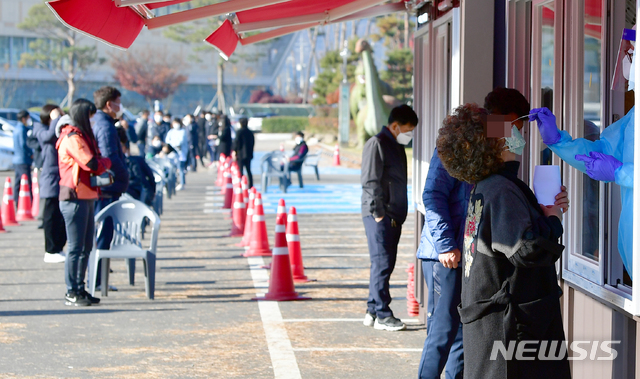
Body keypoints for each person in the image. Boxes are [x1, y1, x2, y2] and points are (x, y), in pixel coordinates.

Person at [436, 103, 570, 379]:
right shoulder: (501, 188)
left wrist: (541, 212)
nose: (514, 130)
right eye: (504, 127)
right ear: (493, 144)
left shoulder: (489, 186)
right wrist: (553, 219)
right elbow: (526, 249)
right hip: (511, 330)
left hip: (493, 328)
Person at [361, 104, 418, 331]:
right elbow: (370, 180)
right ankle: (384, 314)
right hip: (380, 215)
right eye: (408, 130)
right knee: (382, 264)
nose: (410, 135)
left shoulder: (394, 145)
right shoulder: (377, 143)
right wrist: (378, 213)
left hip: (392, 215)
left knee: (383, 264)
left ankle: (373, 310)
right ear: (395, 126)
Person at [56, 99, 111, 306]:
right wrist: (108, 162)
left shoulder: (82, 136)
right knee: (76, 247)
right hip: (74, 197)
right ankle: (72, 290)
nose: (93, 119)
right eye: (90, 115)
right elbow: (92, 163)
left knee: (86, 246)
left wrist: (102, 162)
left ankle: (81, 288)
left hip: (86, 195)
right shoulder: (72, 137)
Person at [93, 86, 130, 290]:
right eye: (118, 102)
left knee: (102, 234)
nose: (119, 107)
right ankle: (98, 280)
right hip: (108, 187)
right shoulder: (106, 126)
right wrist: (124, 175)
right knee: (103, 234)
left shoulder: (100, 122)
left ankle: (99, 279)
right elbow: (110, 157)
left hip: (106, 186)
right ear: (109, 104)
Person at [34, 104, 67, 263]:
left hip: (61, 177)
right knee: (50, 215)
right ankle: (50, 250)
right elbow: (49, 137)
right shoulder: (39, 128)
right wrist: (55, 119)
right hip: (50, 178)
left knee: (61, 216)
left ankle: (58, 248)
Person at [117, 127, 156, 206]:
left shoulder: (135, 161)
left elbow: (148, 177)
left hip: (133, 193)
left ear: (125, 148)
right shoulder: (116, 161)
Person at [12, 110, 33, 205]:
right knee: (27, 182)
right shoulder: (21, 130)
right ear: (24, 118)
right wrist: (30, 153)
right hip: (23, 159)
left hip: (16, 159)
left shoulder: (16, 128)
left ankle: (16, 201)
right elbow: (24, 144)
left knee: (18, 182)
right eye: (28, 118)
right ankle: (29, 203)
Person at [166, 117, 189, 191]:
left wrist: (174, 144)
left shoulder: (183, 131)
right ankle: (174, 183)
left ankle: (182, 183)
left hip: (181, 153)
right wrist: (171, 145)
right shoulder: (171, 131)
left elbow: (181, 141)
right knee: (172, 169)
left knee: (181, 169)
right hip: (172, 154)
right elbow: (167, 140)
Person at [232, 117, 255, 188]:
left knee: (240, 170)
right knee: (248, 170)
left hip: (240, 154)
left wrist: (235, 151)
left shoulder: (239, 132)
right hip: (248, 154)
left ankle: (241, 184)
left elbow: (236, 142)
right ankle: (250, 185)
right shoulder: (250, 132)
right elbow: (252, 143)